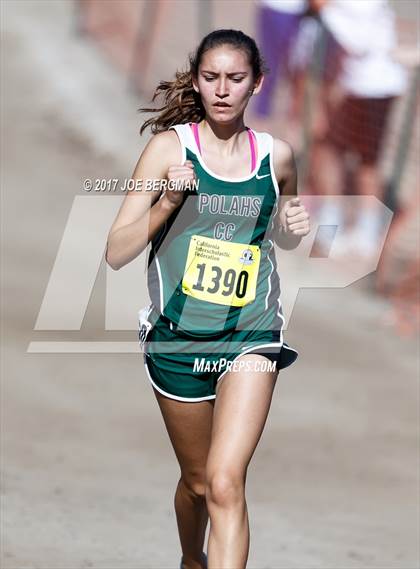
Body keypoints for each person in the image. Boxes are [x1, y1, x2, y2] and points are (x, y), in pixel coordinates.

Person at [105, 29, 310, 569]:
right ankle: (191, 558)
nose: (222, 90)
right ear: (196, 81)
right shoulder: (169, 149)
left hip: (251, 335)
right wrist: (167, 201)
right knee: (197, 484)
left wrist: (294, 226)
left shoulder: (278, 157)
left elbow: (284, 233)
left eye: (236, 79)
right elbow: (117, 251)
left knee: (225, 482)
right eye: (211, 78)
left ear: (256, 84)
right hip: (176, 339)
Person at [310, 0, 407, 258]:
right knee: (330, 147)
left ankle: (366, 227)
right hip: (352, 84)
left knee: (366, 158)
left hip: (371, 87)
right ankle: (334, 219)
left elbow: (357, 42)